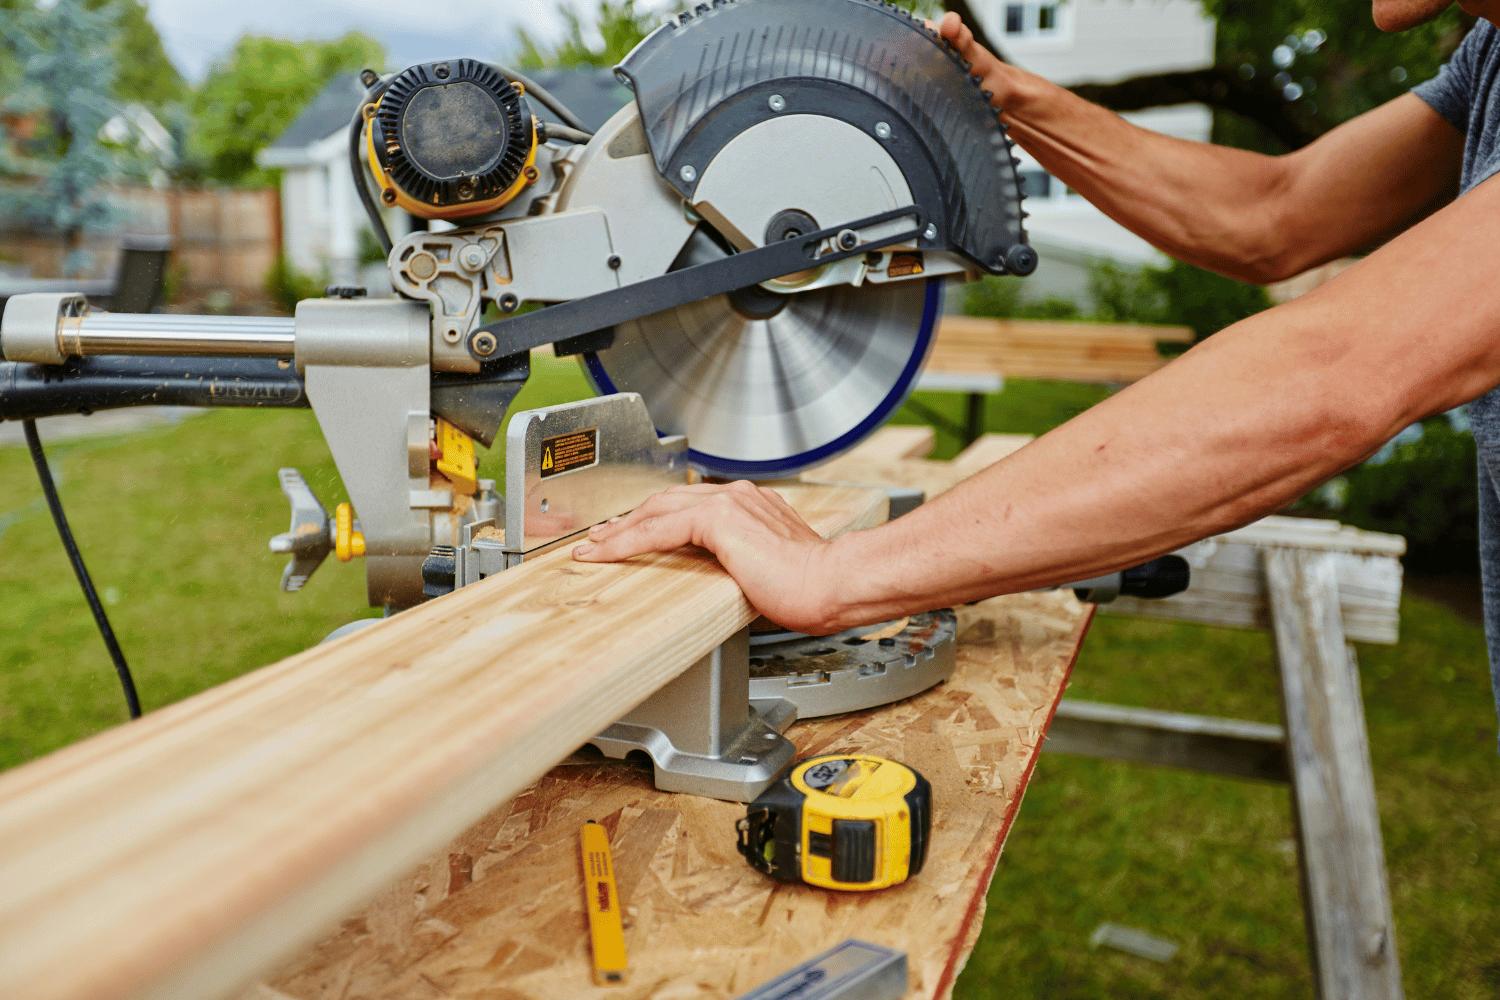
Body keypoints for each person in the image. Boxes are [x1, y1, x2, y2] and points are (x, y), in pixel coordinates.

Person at [574, 0, 1500, 739]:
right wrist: (1002, 97)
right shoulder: (1487, 58)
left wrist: (833, 573)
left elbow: (1333, 371)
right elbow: (1274, 214)